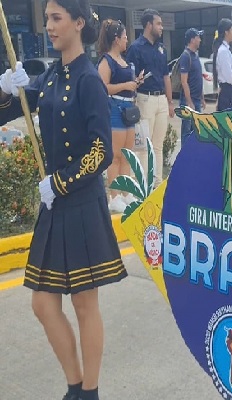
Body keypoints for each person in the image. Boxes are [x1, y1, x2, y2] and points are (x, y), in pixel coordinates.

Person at [0, 1, 127, 399]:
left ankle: (87, 391)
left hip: (78, 201)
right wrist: (9, 88)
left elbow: (100, 151)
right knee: (43, 303)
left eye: (56, 19)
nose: (49, 26)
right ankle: (75, 383)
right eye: (48, 18)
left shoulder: (89, 78)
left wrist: (60, 182)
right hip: (55, 205)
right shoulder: (55, 73)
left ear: (78, 23)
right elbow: (21, 103)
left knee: (84, 304)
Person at [97, 19, 144, 213]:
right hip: (115, 110)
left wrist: (135, 83)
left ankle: (125, 192)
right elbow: (102, 87)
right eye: (125, 37)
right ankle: (114, 196)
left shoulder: (125, 61)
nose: (127, 41)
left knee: (127, 155)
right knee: (115, 156)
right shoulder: (106, 61)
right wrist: (126, 86)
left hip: (129, 112)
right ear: (116, 39)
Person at [126, 8, 174, 187]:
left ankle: (157, 184)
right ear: (148, 25)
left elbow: (166, 76)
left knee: (158, 145)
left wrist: (170, 102)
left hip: (161, 99)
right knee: (144, 147)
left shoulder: (162, 49)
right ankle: (143, 185)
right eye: (159, 24)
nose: (162, 27)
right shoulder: (135, 48)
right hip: (144, 99)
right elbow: (130, 77)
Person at [179, 27, 206, 144]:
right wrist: (189, 103)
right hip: (188, 102)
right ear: (192, 39)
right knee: (186, 132)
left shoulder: (195, 55)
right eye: (198, 37)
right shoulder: (186, 56)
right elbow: (184, 81)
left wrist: (202, 98)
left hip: (197, 100)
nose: (200, 40)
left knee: (196, 133)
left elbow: (198, 78)